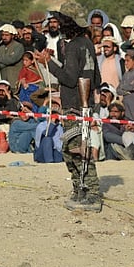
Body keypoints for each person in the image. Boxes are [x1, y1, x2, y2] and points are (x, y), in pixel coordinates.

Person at [33, 11, 101, 212]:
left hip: (76, 105)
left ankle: (92, 193)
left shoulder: (74, 46)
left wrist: (50, 64)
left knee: (77, 149)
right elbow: (94, 77)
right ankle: (79, 189)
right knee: (72, 148)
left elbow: (70, 79)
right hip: (83, 104)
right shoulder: (85, 43)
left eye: (59, 21)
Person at [0, 23, 24, 88]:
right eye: (3, 35)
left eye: (7, 35)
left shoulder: (18, 46)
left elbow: (11, 60)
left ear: (12, 36)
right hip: (3, 79)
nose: (4, 37)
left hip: (14, 80)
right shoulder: (1, 46)